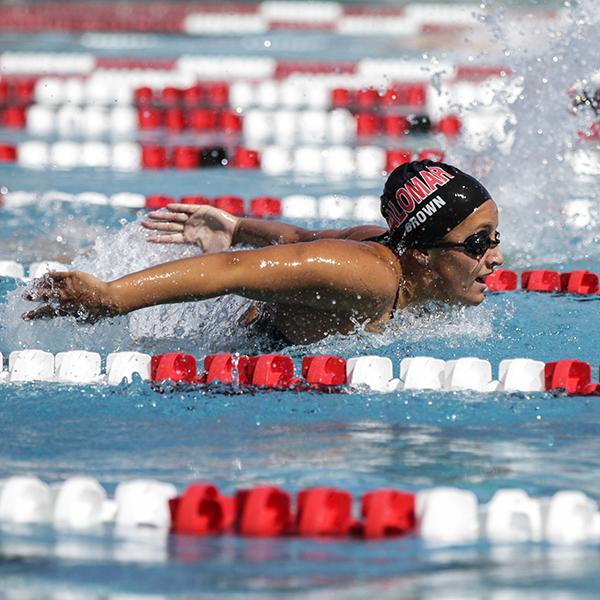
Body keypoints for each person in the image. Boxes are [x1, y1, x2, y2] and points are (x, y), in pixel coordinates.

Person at [22, 160, 504, 345]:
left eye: (495, 239)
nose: (496, 258)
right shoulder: (367, 275)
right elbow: (233, 271)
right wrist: (113, 297)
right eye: (479, 243)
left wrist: (235, 227)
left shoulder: (380, 243)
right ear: (421, 252)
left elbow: (300, 239)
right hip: (247, 351)